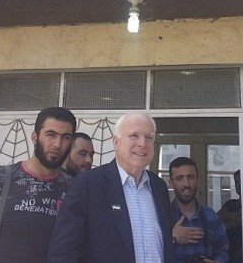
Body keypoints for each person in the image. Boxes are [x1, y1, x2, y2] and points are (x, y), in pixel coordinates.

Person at [0, 107, 76, 263]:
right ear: (35, 137)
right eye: (51, 135)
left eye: (66, 137)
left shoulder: (75, 189)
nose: (57, 144)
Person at [47, 111, 174, 263]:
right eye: (134, 136)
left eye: (149, 138)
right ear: (116, 142)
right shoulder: (87, 185)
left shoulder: (158, 187)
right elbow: (63, 254)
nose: (142, 143)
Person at [170, 157, 229, 263]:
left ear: (198, 181)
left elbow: (223, 247)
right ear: (171, 183)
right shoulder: (162, 217)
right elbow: (149, 249)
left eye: (190, 177)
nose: (186, 184)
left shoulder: (211, 216)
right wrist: (172, 238)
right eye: (180, 178)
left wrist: (218, 261)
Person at [217, 170, 242, 263]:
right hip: (229, 254)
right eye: (237, 182)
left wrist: (225, 221)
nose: (239, 184)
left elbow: (237, 220)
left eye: (242, 181)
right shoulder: (230, 204)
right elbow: (216, 220)